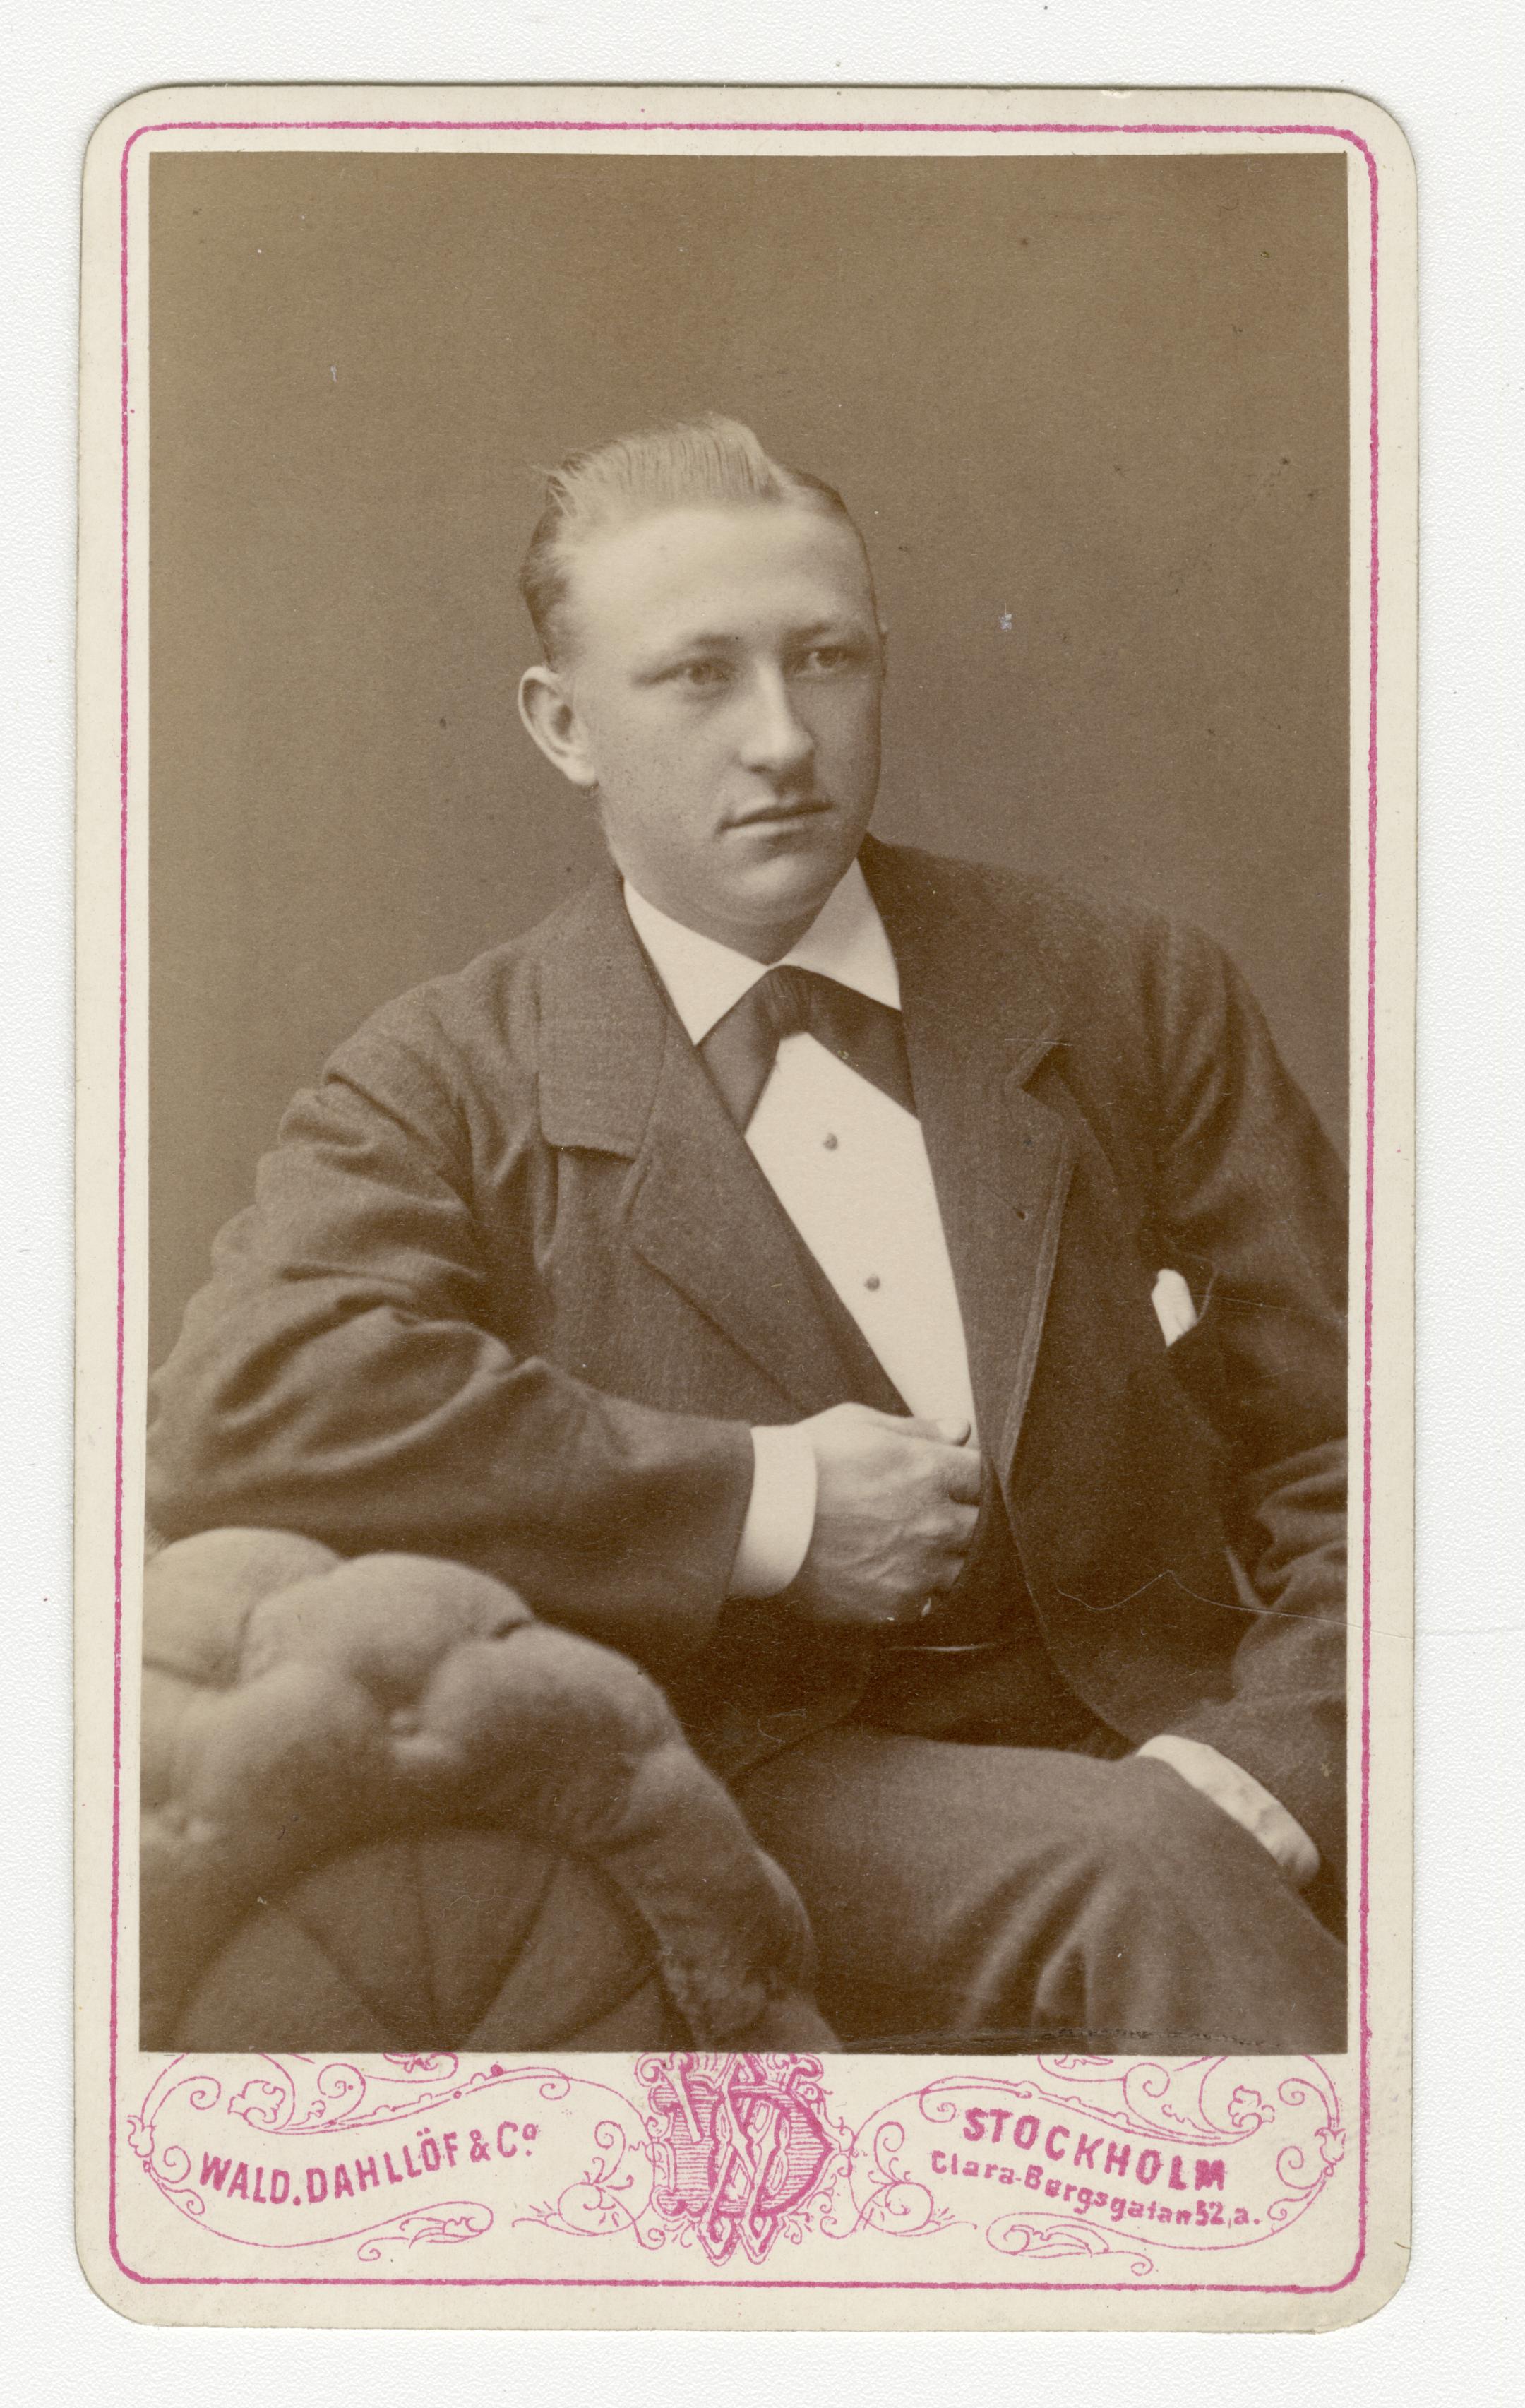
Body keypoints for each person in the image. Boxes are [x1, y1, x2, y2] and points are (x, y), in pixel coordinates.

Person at [148, 415, 1348, 2054]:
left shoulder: (1130, 988)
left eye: (826, 659)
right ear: (564, 725)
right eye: (699, 677)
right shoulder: (446, 1076)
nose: (783, 738)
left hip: (1189, 1734)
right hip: (757, 1782)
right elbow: (245, 1402)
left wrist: (1273, 1759)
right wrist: (759, 1503)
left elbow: (1363, 1446)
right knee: (1144, 1873)